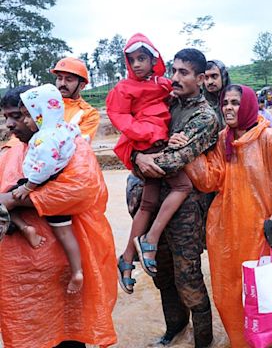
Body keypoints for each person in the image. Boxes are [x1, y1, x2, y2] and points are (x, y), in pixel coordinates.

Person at [183, 84, 272, 347]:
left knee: (266, 294)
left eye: (235, 102)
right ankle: (242, 341)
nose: (228, 108)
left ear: (247, 105)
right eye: (225, 103)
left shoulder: (268, 138)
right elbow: (209, 180)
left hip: (262, 233)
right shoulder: (225, 140)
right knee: (232, 293)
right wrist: (189, 153)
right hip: (229, 234)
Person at [0, 86, 117, 348]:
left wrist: (12, 200)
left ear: (37, 113)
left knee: (68, 334)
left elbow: (82, 190)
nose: (9, 124)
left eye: (17, 116)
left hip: (62, 270)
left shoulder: (72, 147)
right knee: (27, 335)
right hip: (22, 278)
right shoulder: (11, 153)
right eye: (6, 116)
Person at [131, 48, 219, 347]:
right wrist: (139, 154)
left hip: (187, 211)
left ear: (201, 77)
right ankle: (175, 329)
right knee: (162, 274)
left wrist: (143, 159)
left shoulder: (205, 117)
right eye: (174, 71)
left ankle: (203, 341)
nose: (175, 77)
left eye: (184, 72)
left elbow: (172, 161)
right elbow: (135, 139)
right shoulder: (165, 103)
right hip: (156, 200)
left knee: (188, 276)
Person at [106, 33, 193, 293]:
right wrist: (144, 135)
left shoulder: (163, 84)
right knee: (183, 186)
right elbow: (118, 116)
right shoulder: (123, 88)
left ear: (154, 59)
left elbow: (175, 95)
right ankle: (149, 241)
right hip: (147, 144)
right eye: (132, 60)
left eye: (142, 58)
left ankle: (126, 259)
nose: (137, 65)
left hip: (157, 143)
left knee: (148, 203)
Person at [7, 84, 83, 295]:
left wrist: (29, 187)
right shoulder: (63, 129)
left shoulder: (44, 137)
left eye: (26, 116)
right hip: (50, 185)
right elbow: (77, 133)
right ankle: (77, 270)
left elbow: (46, 166)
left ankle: (24, 227)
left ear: (41, 114)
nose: (24, 121)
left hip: (42, 184)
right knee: (65, 232)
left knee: (9, 197)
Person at [51, 57, 100, 142]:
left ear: (82, 86)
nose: (62, 83)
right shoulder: (44, 104)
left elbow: (78, 145)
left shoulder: (89, 114)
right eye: (59, 78)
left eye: (69, 80)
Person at [204, 59, 231, 127]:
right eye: (206, 77)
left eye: (214, 76)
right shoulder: (200, 102)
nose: (210, 82)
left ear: (223, 76)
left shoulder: (236, 99)